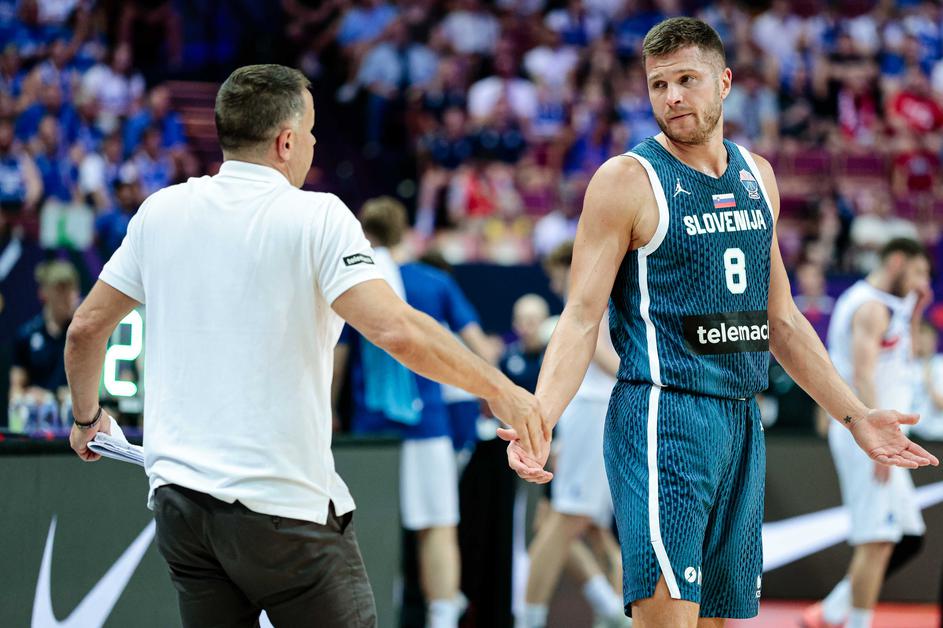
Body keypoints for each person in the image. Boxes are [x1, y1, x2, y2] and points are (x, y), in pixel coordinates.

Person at [64, 64, 545, 628]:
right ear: (286, 141)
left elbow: (85, 329)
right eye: (311, 132)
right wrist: (500, 391)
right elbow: (396, 330)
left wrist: (87, 418)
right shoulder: (318, 216)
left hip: (182, 507)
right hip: (281, 509)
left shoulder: (160, 212)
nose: (315, 144)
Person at [499, 17, 938, 628]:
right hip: (663, 415)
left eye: (687, 80)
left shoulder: (758, 176)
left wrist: (857, 416)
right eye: (658, 85)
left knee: (717, 622)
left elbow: (782, 320)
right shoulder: (626, 180)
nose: (672, 97)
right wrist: (543, 412)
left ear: (725, 82)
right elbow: (579, 317)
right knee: (668, 618)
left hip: (739, 420)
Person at [334, 195, 493, 628]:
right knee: (437, 526)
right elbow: (479, 348)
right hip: (428, 426)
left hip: (372, 432)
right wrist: (493, 393)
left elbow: (338, 360)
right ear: (405, 231)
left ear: (363, 233)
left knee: (366, 532)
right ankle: (442, 620)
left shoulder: (357, 284)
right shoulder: (434, 283)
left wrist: (329, 410)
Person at [803, 238, 932, 628]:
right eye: (918, 272)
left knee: (908, 537)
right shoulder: (870, 307)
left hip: (885, 434)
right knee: (877, 539)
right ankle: (854, 622)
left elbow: (906, 356)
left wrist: (917, 311)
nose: (923, 282)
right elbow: (862, 376)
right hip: (869, 435)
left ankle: (830, 611)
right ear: (896, 262)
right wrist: (881, 442)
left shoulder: (895, 304)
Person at [520, 240, 628, 628]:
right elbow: (596, 352)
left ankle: (610, 612)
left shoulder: (596, 285)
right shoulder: (596, 291)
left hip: (598, 410)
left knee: (581, 523)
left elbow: (599, 350)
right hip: (592, 410)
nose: (555, 285)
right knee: (571, 521)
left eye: (556, 276)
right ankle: (538, 618)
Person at [10, 260, 79, 430]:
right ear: (44, 293)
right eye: (61, 289)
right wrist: (25, 398)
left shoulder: (82, 335)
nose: (68, 296)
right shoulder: (27, 334)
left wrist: (66, 396)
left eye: (71, 288)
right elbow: (15, 389)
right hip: (37, 424)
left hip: (74, 421)